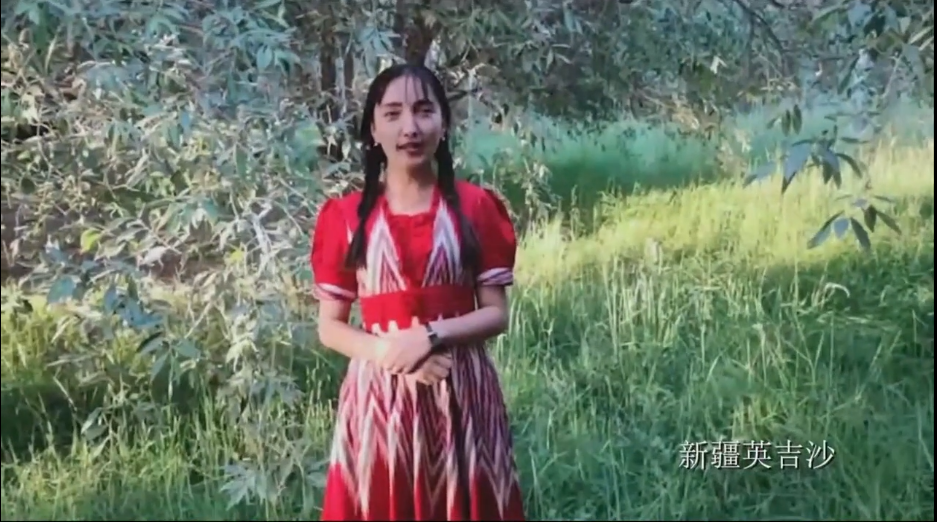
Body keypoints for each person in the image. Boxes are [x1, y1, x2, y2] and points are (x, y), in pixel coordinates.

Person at [310, 62, 526, 521]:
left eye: (424, 111)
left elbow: (496, 313)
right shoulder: (346, 218)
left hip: (462, 393)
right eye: (392, 114)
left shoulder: (475, 207)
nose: (410, 127)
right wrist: (393, 353)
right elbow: (330, 327)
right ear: (373, 129)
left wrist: (427, 337)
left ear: (444, 124)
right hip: (379, 399)